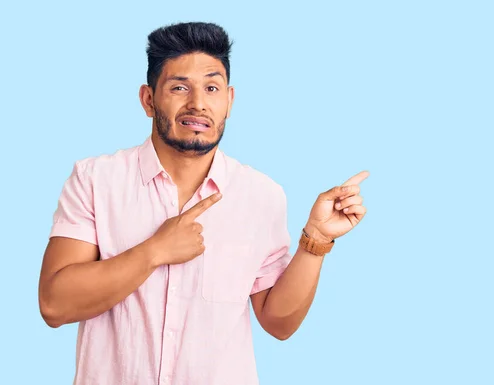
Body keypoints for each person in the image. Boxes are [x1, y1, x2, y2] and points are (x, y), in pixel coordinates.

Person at [38, 21, 368, 385]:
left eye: (211, 88)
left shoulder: (261, 195)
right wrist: (154, 251)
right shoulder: (95, 180)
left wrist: (315, 241)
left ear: (229, 100)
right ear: (148, 100)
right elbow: (55, 304)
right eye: (179, 87)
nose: (197, 104)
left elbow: (278, 324)